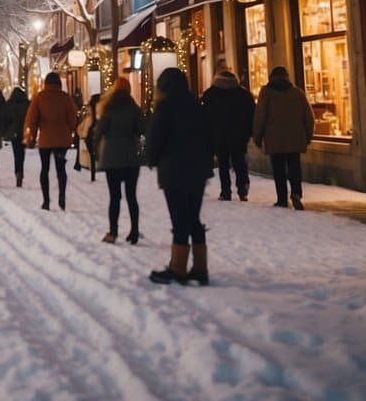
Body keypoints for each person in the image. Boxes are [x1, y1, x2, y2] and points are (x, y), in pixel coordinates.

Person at [146, 67, 213, 285]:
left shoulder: (164, 107)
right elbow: (209, 136)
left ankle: (178, 268)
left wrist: (151, 159)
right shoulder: (197, 105)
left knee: (179, 218)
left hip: (174, 170)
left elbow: (155, 138)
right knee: (193, 217)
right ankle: (200, 268)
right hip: (198, 170)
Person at [253, 66, 315, 210]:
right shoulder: (297, 93)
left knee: (279, 169)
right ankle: (296, 193)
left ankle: (282, 198)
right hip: (295, 137)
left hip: (274, 139)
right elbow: (309, 117)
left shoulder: (266, 93)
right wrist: (308, 136)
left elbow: (260, 116)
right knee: (294, 166)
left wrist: (257, 136)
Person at [93, 78, 144, 245]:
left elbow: (100, 131)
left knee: (114, 197)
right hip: (130, 158)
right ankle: (134, 231)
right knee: (132, 197)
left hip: (112, 158)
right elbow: (141, 129)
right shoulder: (134, 108)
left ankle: (113, 232)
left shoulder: (109, 108)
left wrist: (95, 150)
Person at [24, 73, 79, 211]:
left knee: (45, 169)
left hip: (46, 140)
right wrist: (71, 129)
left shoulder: (39, 98)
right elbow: (73, 120)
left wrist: (31, 136)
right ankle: (62, 197)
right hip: (62, 140)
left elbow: (32, 120)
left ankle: (46, 201)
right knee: (61, 169)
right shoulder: (65, 98)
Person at [201, 70, 256, 201]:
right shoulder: (243, 94)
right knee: (239, 162)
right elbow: (252, 114)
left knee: (223, 164)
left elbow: (204, 116)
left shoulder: (210, 94)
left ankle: (226, 191)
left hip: (218, 135)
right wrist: (249, 132)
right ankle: (242, 188)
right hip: (238, 135)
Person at [4, 87, 30, 187]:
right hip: (23, 131)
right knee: (22, 153)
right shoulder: (27, 103)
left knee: (16, 152)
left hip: (13, 132)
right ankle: (20, 171)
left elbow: (5, 118)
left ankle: (17, 172)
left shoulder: (9, 104)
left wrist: (6, 130)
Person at [75, 93, 101, 182]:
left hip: (88, 135)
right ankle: (94, 170)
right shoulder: (99, 111)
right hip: (93, 133)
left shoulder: (90, 112)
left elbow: (80, 127)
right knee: (94, 154)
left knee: (92, 155)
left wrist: (82, 134)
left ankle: (93, 172)